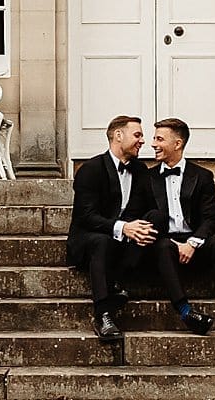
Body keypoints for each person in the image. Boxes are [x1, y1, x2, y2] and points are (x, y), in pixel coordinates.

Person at [65, 113, 165, 343]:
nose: (142, 141)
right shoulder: (91, 169)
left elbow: (148, 209)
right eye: (137, 135)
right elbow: (86, 216)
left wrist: (136, 227)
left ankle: (117, 275)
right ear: (118, 136)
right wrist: (123, 227)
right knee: (102, 241)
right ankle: (104, 314)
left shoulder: (140, 170)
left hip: (124, 245)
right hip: (90, 240)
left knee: (156, 217)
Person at [149, 116, 215, 337]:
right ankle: (186, 313)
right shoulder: (148, 177)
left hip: (195, 241)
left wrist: (192, 243)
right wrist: (175, 243)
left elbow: (211, 218)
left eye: (159, 139)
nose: (153, 144)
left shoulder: (202, 176)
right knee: (163, 247)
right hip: (165, 243)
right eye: (154, 138)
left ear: (177, 144)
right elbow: (146, 217)